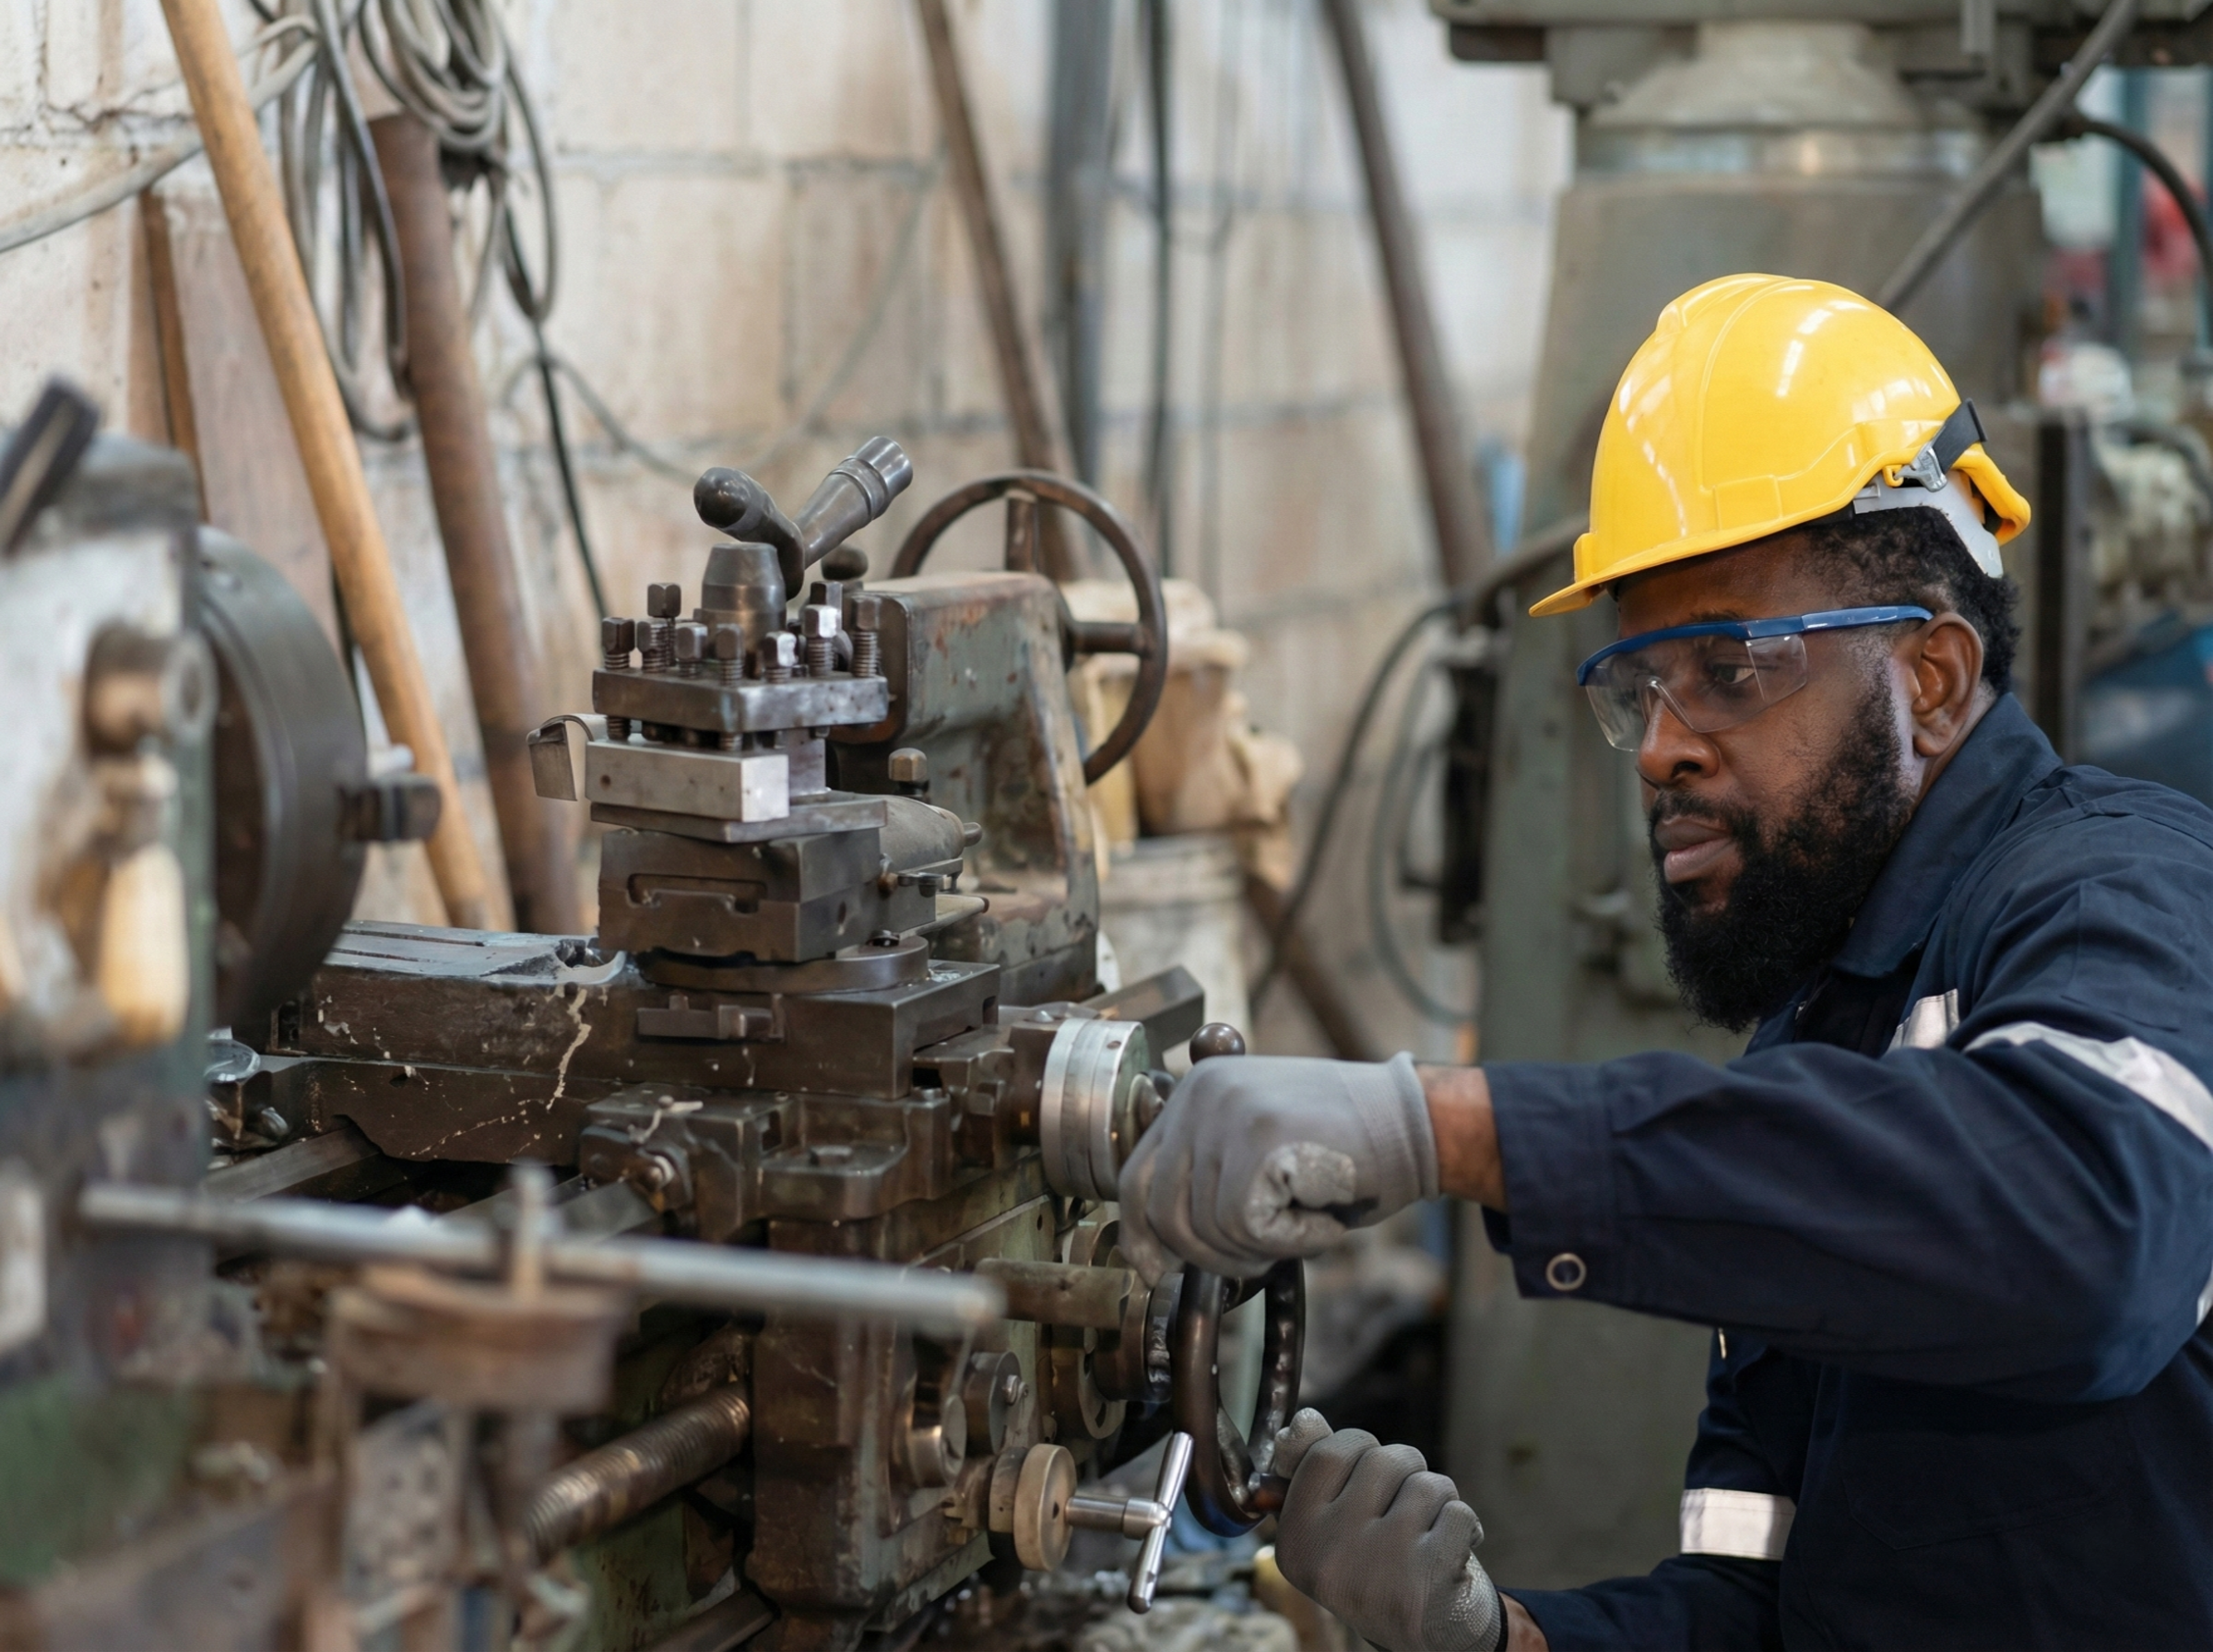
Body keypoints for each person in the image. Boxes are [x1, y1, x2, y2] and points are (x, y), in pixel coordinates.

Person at [1118, 274, 2213, 1652]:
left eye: (1732, 669)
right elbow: (1761, 1606)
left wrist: (1453, 1127)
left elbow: (2090, 1238)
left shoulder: (2126, 888)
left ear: (1929, 681)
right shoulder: (1818, 1059)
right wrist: (1495, 1638)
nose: (1659, 747)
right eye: (1639, 686)